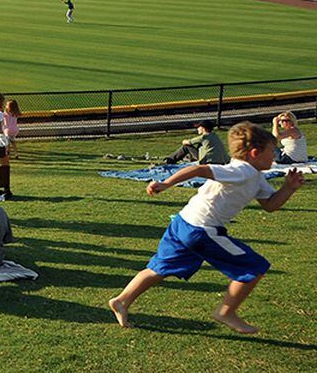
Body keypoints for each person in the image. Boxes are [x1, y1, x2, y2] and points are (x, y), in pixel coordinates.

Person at [108, 122, 305, 334]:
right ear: (255, 153)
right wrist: (166, 183)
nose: (275, 155)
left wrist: (288, 188)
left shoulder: (255, 176)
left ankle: (121, 300)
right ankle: (226, 312)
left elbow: (270, 205)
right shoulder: (241, 170)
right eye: (271, 151)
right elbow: (198, 169)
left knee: (158, 268)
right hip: (202, 229)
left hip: (183, 223)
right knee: (254, 267)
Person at [162, 120, 229, 165]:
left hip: (208, 161)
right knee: (199, 148)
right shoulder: (215, 136)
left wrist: (184, 141)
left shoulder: (204, 137)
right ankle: (189, 158)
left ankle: (170, 160)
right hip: (222, 161)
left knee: (186, 147)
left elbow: (187, 142)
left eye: (198, 127)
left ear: (203, 128)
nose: (197, 129)